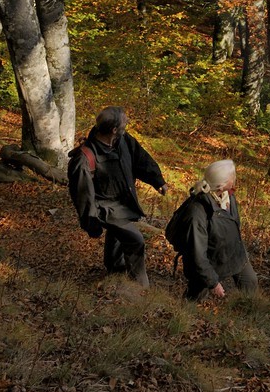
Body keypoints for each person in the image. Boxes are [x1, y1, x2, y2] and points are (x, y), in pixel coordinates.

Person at [67, 106, 168, 287]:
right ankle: (140, 286)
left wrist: (157, 180)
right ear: (113, 129)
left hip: (124, 201)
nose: (127, 124)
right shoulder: (85, 158)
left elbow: (140, 158)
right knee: (135, 240)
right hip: (105, 209)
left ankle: (115, 269)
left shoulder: (123, 140)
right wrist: (90, 222)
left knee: (117, 235)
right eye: (124, 122)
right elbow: (82, 195)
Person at [170, 159, 257, 301]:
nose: (235, 180)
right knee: (193, 300)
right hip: (210, 262)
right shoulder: (196, 213)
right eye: (232, 177)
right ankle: (181, 319)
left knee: (250, 284)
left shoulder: (228, 195)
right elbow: (197, 254)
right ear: (220, 186)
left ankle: (250, 318)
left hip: (235, 254)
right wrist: (213, 282)